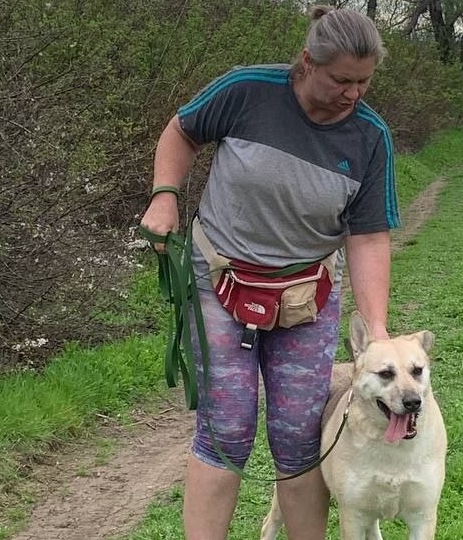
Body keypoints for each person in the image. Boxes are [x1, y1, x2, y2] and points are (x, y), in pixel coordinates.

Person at [138, 5, 397, 540]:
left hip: (307, 296)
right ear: (307, 62)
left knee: (300, 437)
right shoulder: (246, 90)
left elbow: (369, 235)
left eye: (364, 82)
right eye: (341, 80)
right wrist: (165, 195)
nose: (353, 94)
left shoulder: (370, 137)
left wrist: (378, 332)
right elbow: (181, 131)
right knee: (224, 432)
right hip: (219, 282)